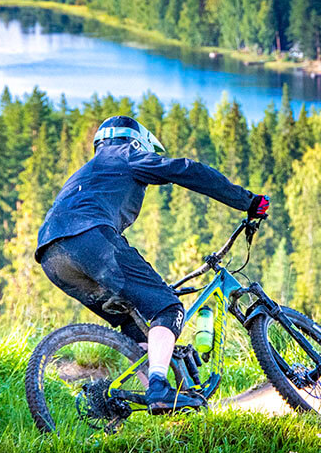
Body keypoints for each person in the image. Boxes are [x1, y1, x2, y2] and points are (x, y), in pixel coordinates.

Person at [35, 115, 270, 413]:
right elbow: (188, 171)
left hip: (51, 255)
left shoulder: (86, 171)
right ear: (137, 141)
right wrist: (247, 201)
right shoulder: (125, 155)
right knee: (167, 308)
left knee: (131, 323)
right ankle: (159, 387)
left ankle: (156, 398)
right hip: (90, 238)